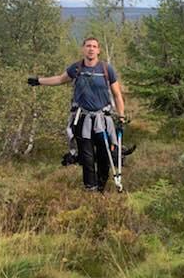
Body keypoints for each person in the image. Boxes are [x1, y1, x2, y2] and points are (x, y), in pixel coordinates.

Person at [27, 37, 125, 191]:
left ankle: (101, 187)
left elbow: (117, 94)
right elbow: (60, 79)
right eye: (88, 46)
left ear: (98, 50)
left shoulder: (106, 69)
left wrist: (121, 116)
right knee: (86, 157)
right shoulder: (76, 68)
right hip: (82, 119)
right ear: (83, 49)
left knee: (103, 156)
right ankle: (90, 188)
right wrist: (39, 81)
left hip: (103, 120)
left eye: (94, 46)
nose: (91, 49)